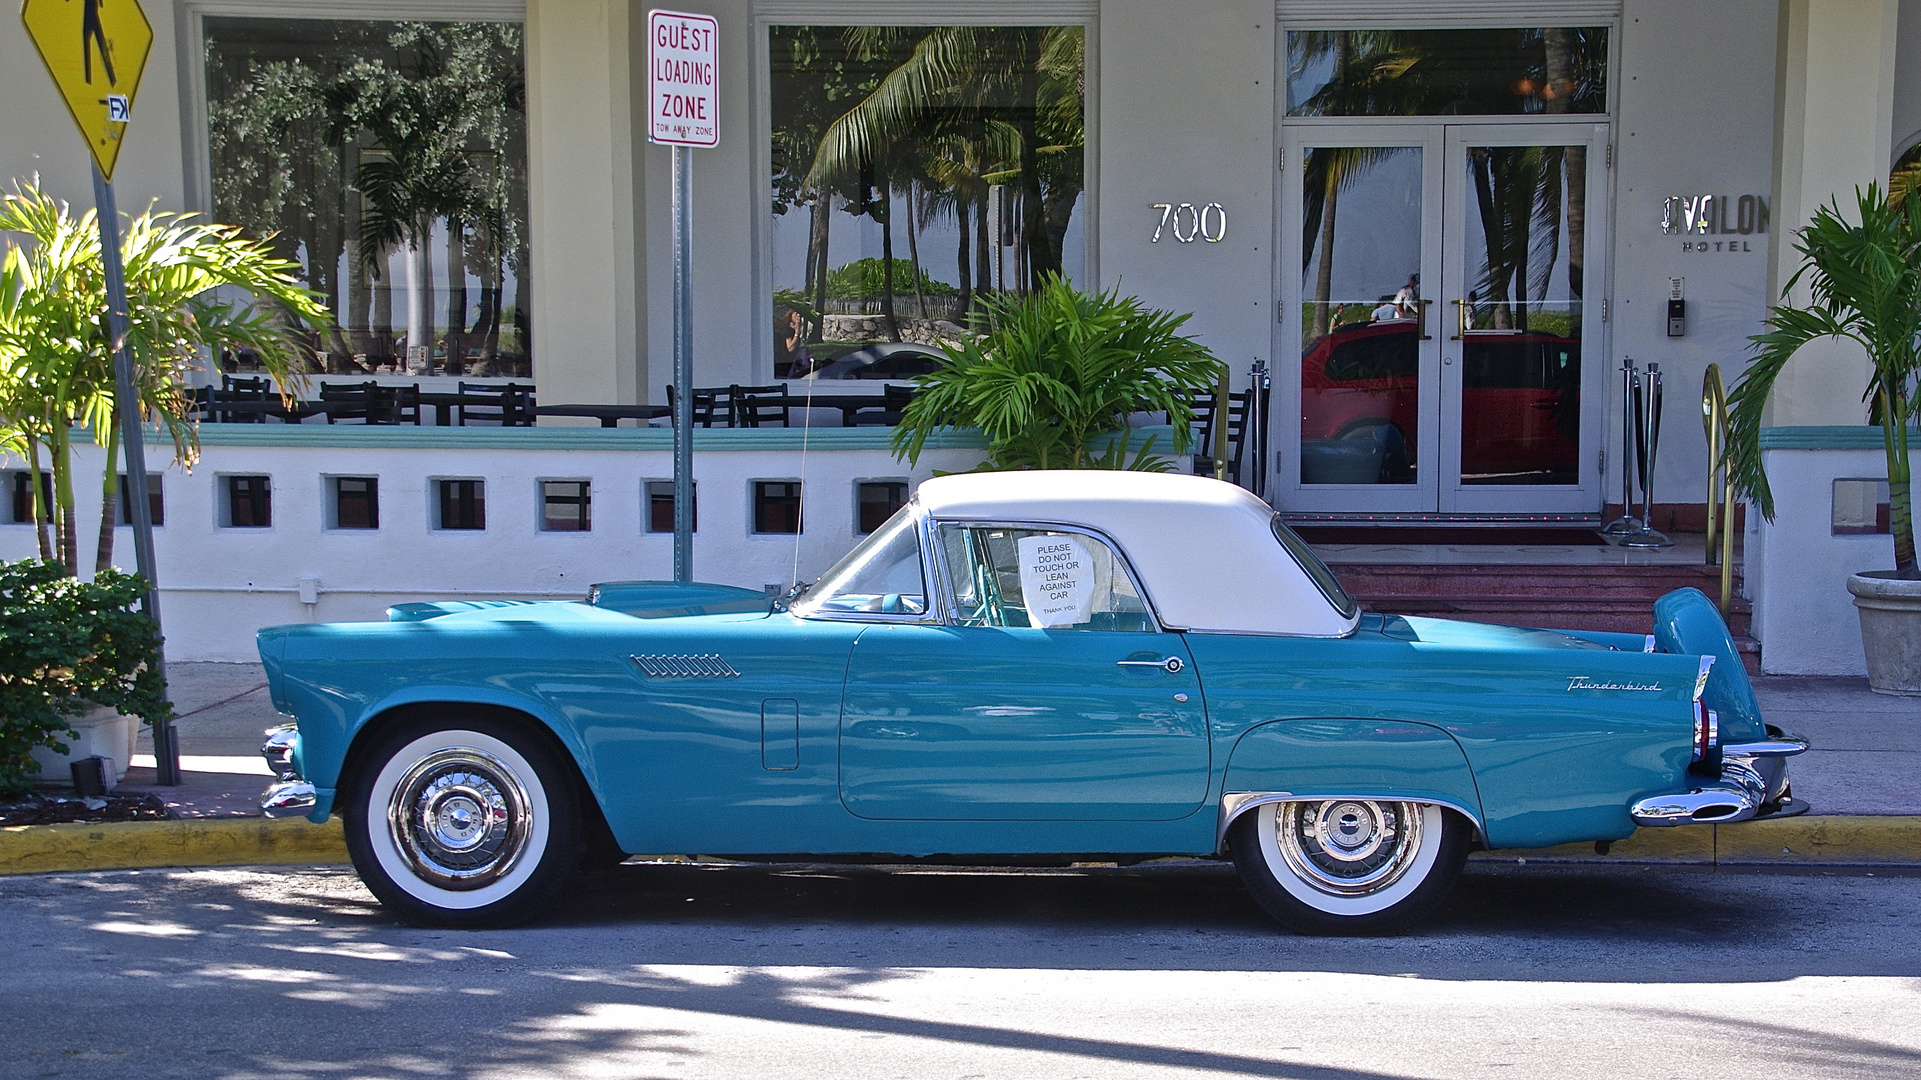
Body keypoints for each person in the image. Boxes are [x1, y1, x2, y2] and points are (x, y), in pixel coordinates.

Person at [774, 307, 814, 377]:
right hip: (786, 360)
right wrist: (797, 332)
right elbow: (790, 348)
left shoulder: (793, 328)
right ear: (791, 315)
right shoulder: (787, 329)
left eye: (799, 314)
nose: (798, 316)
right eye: (796, 314)